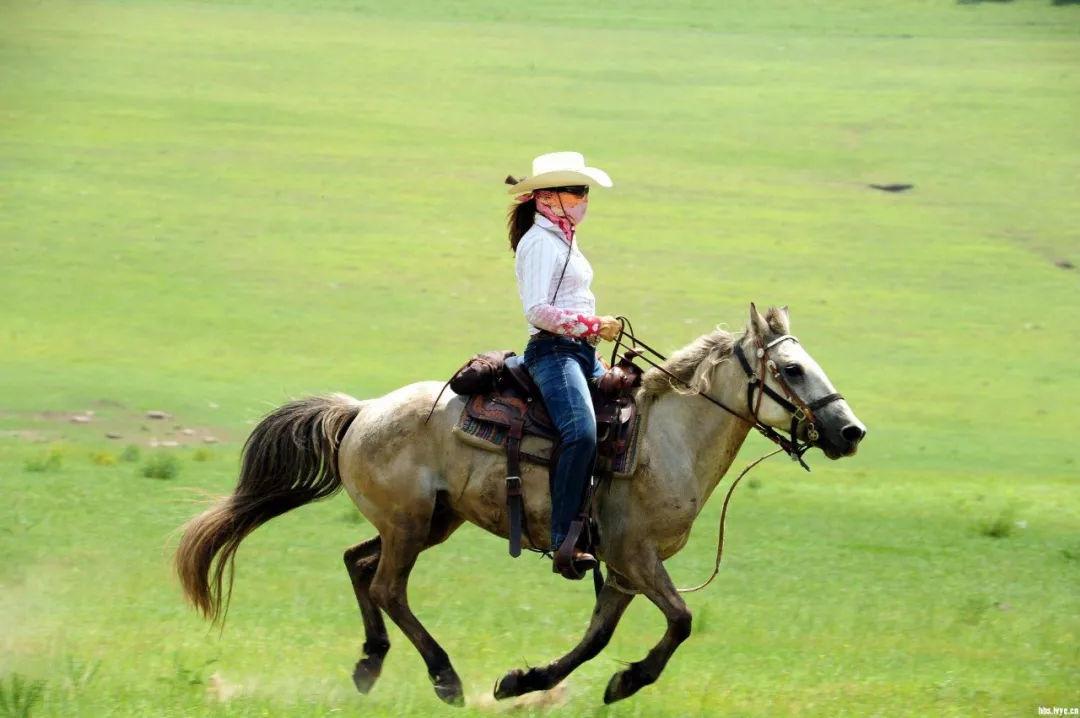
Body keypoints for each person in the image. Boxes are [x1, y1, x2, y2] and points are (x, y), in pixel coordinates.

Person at [504, 151, 622, 578]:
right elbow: (538, 310)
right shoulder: (539, 243)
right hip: (553, 352)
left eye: (584, 190)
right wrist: (593, 324)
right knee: (581, 431)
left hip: (581, 352)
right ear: (548, 196)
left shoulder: (564, 240)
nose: (583, 198)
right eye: (575, 190)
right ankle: (564, 540)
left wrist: (594, 343)